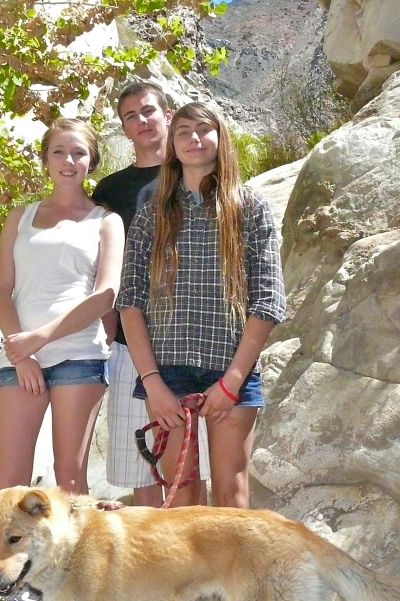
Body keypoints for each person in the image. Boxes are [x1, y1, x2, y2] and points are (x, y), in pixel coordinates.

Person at [116, 102, 286, 508]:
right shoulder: (152, 214)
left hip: (231, 370)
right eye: (183, 131)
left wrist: (232, 382)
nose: (193, 138)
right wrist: (152, 384)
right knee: (182, 494)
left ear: (220, 137)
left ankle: (236, 574)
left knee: (232, 491)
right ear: (172, 145)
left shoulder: (249, 207)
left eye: (203, 129)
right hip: (168, 373)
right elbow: (130, 302)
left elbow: (267, 301)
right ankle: (192, 575)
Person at [0, 117, 124, 494]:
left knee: (69, 481)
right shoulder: (20, 217)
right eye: (59, 152)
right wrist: (22, 351)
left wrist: (39, 339)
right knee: (8, 488)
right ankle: (8, 557)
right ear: (46, 160)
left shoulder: (106, 221)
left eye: (78, 153)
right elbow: (2, 289)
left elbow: (105, 295)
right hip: (20, 360)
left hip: (79, 356)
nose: (69, 161)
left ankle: (76, 556)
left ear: (91, 162)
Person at [92, 82, 210, 507]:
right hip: (129, 340)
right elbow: (100, 263)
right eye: (131, 116)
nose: (141, 121)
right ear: (124, 129)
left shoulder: (201, 176)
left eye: (148, 111)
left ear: (167, 114)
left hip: (193, 341)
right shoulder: (110, 190)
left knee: (192, 468)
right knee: (137, 463)